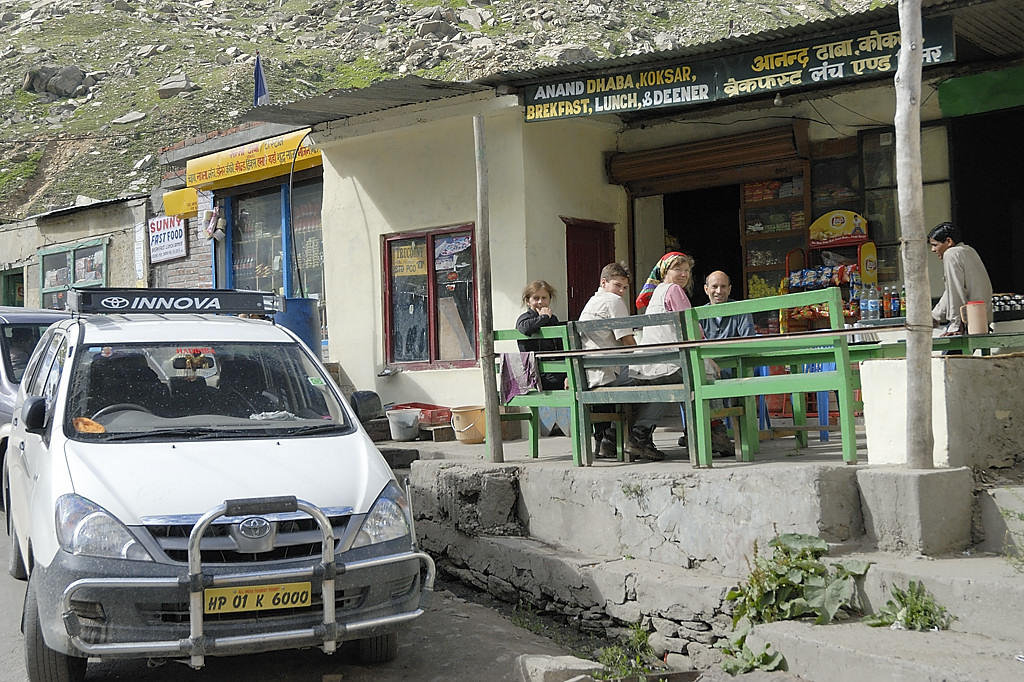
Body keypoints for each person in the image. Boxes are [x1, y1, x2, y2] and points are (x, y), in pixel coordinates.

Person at [633, 252, 724, 456]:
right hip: (669, 363)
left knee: (662, 386)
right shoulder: (673, 290)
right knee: (707, 376)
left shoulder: (656, 293)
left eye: (687, 270)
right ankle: (714, 432)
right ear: (666, 271)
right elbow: (691, 327)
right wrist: (708, 358)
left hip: (650, 364)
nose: (684, 274)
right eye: (678, 269)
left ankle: (640, 436)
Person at [578, 262, 663, 461]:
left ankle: (611, 438)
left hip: (591, 372)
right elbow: (628, 342)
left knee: (640, 380)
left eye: (624, 287)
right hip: (607, 372)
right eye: (617, 285)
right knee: (662, 377)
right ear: (604, 282)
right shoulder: (612, 301)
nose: (621, 291)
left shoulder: (591, 303)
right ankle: (640, 436)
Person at [698, 270, 756, 454]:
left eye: (723, 286)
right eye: (714, 286)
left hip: (735, 367)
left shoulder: (740, 310)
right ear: (706, 289)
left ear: (730, 289)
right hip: (709, 367)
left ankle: (716, 430)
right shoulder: (700, 314)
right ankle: (704, 430)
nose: (719, 291)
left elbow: (748, 342)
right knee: (695, 378)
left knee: (716, 377)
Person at [928, 222, 993, 336]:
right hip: (981, 320)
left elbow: (956, 290)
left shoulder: (951, 253)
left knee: (949, 353)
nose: (933, 249)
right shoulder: (968, 250)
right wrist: (935, 315)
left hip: (967, 322)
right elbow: (952, 290)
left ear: (949, 241)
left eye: (935, 245)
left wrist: (955, 325)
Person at [515, 280, 565, 390]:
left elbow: (561, 345)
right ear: (528, 301)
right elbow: (524, 328)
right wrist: (543, 318)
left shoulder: (553, 319)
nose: (540, 302)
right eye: (536, 298)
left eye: (544, 298)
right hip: (535, 372)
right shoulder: (525, 318)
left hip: (555, 369)